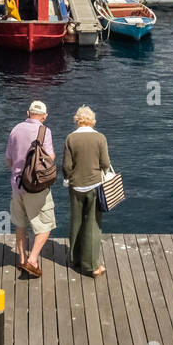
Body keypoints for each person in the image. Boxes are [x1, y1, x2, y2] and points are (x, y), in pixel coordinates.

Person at [4, 100, 55, 277]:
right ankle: (32, 260)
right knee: (46, 224)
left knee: (20, 224)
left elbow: (8, 159)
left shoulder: (15, 129)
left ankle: (22, 259)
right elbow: (50, 157)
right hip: (36, 186)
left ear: (28, 113)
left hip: (17, 185)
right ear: (44, 116)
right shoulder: (45, 131)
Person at [62, 105, 111, 277]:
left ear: (77, 120)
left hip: (75, 186)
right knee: (92, 225)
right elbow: (105, 163)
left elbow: (66, 166)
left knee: (76, 222)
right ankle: (91, 265)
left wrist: (67, 178)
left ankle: (74, 259)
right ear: (92, 120)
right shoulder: (100, 138)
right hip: (94, 186)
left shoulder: (70, 138)